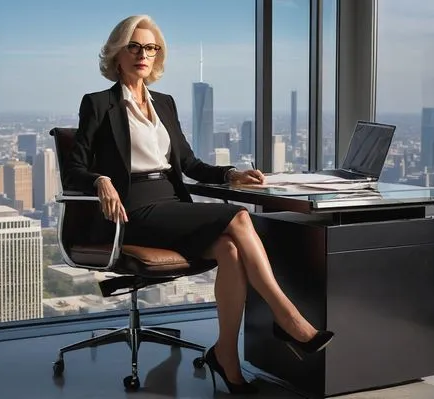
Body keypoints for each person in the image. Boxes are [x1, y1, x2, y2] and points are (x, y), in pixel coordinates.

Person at [65, 14, 334, 395]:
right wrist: (101, 179)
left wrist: (229, 174)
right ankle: (288, 319)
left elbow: (189, 164)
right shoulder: (98, 104)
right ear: (117, 53)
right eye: (135, 47)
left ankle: (225, 355)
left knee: (229, 249)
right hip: (133, 210)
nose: (144, 54)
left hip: (171, 202)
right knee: (240, 217)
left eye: (151, 48)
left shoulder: (164, 103)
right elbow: (75, 167)